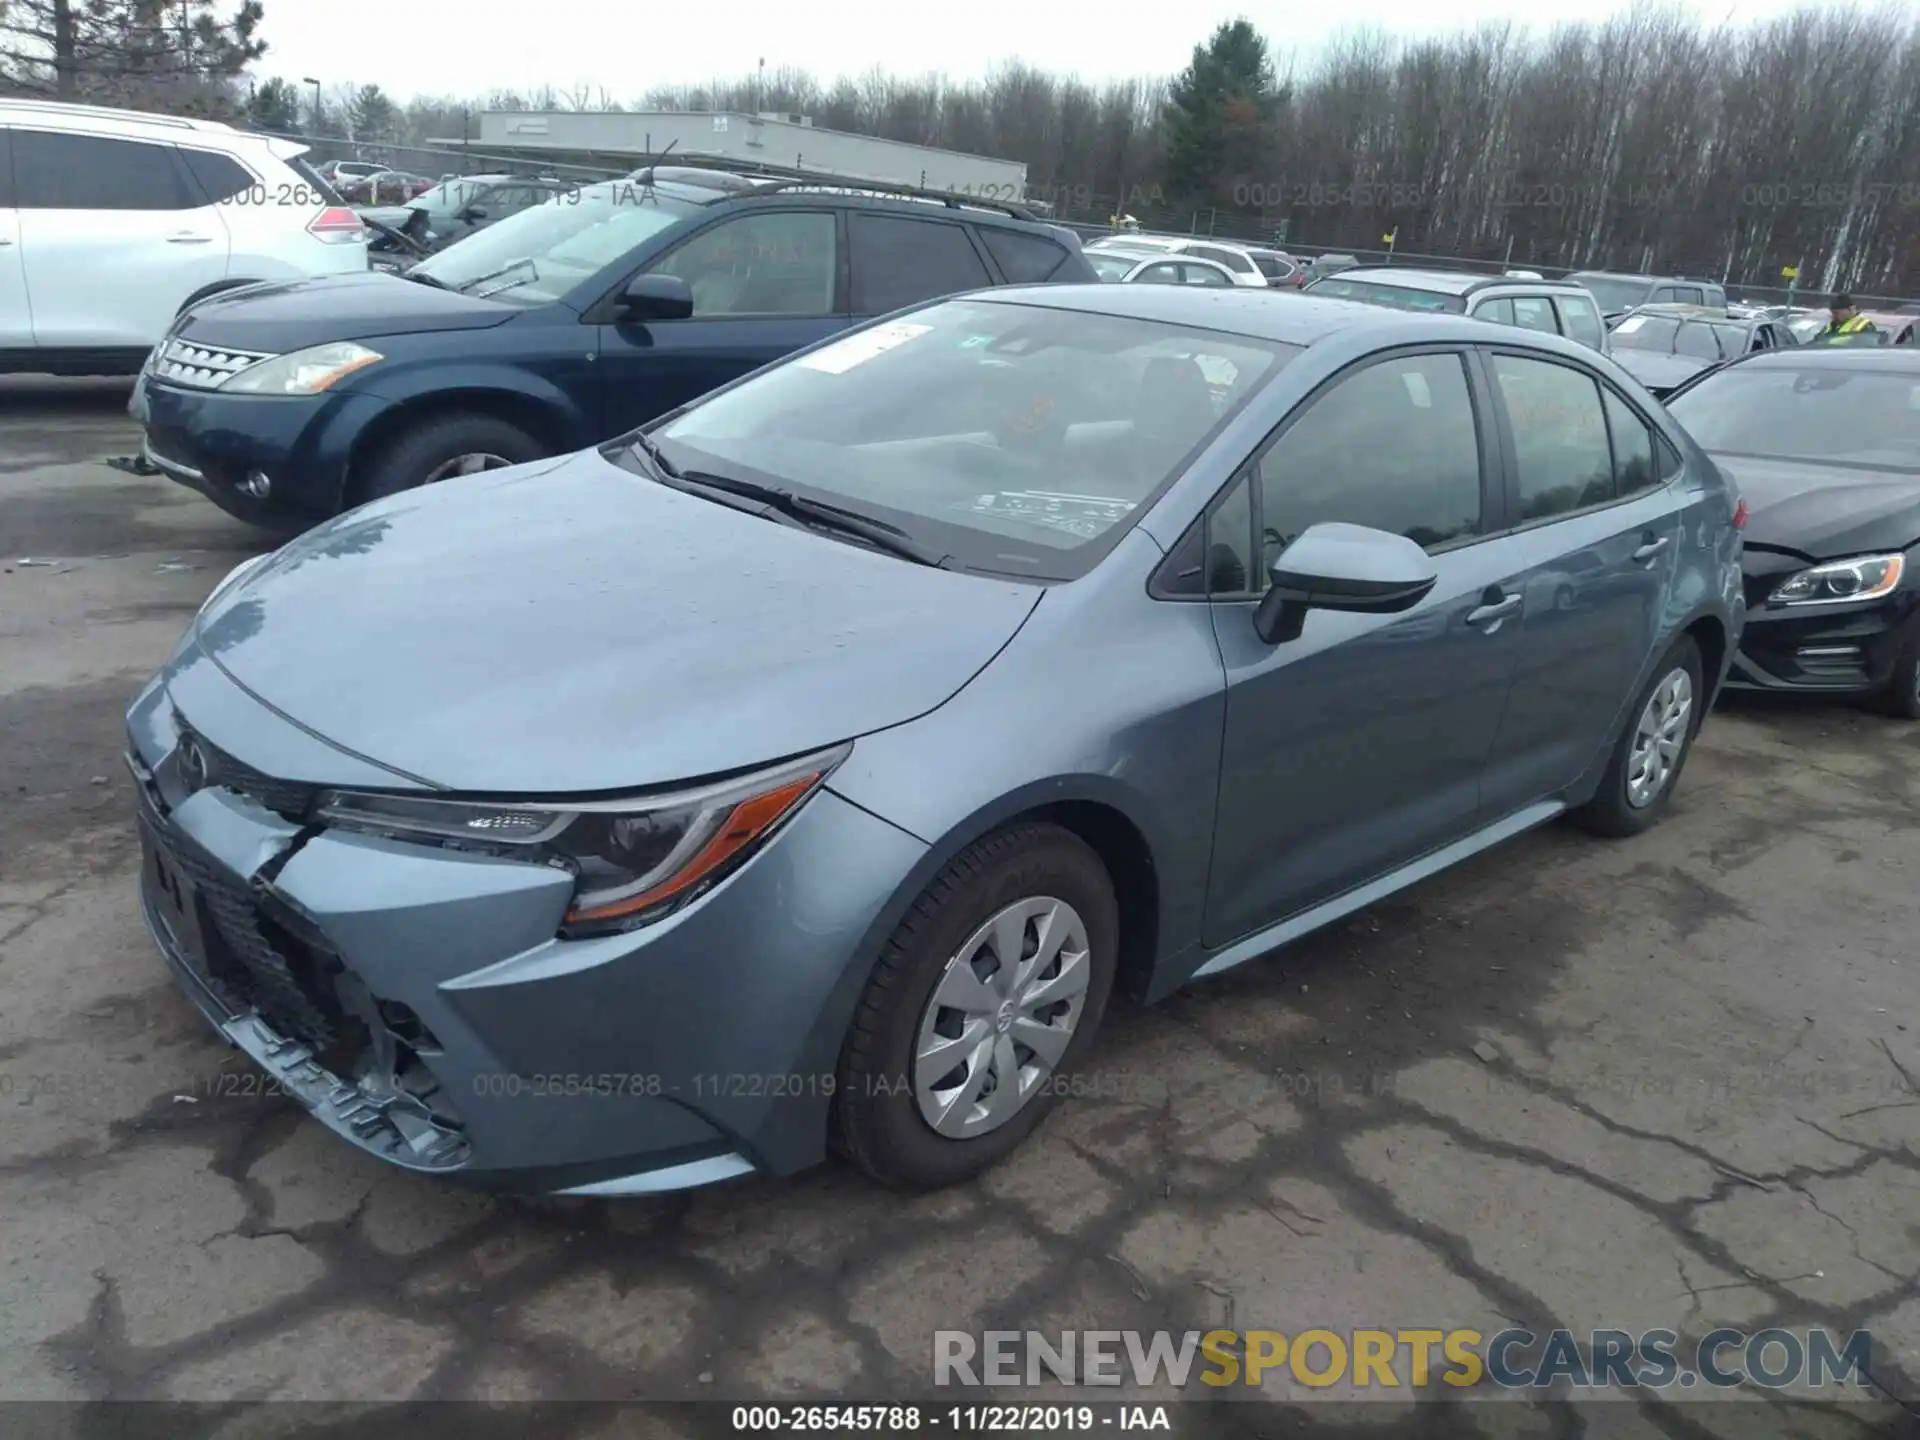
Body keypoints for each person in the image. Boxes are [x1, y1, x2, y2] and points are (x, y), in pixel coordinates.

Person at [1814, 295, 1880, 345]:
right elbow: (1817, 340)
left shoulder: (1865, 327)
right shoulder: (1833, 325)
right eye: (1832, 313)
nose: (1833, 316)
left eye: (1836, 313)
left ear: (1851, 309)